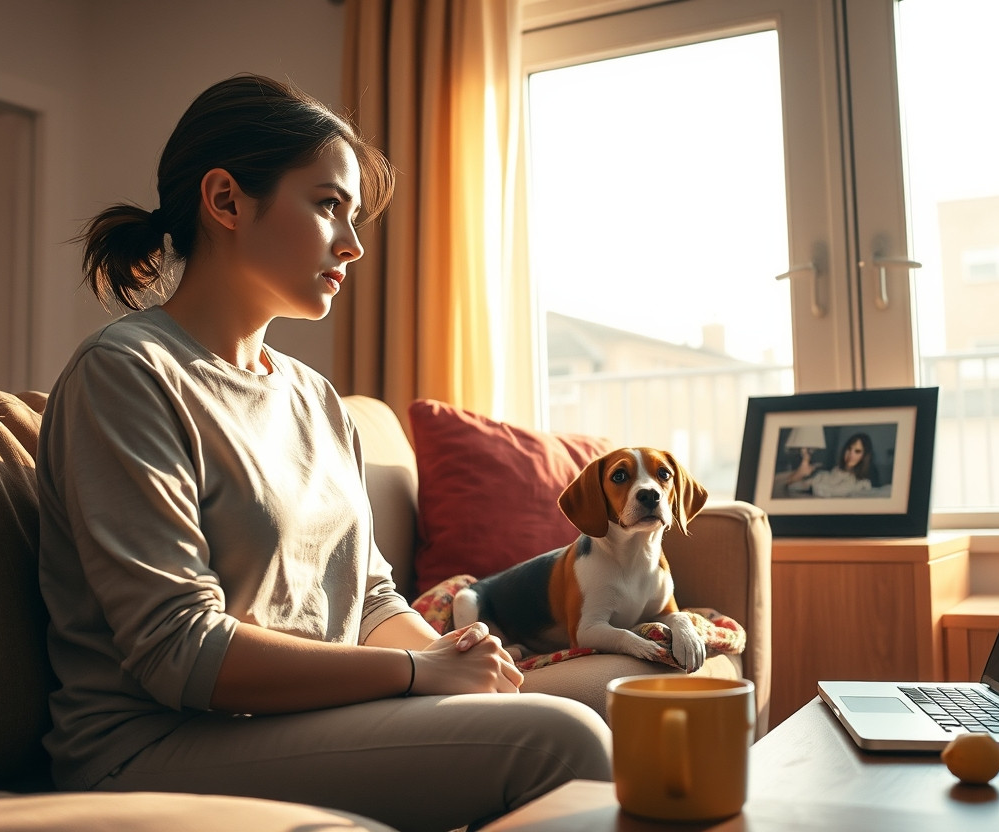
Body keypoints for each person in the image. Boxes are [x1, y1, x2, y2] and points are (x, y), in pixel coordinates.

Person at [35, 74, 611, 832]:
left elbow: (367, 600)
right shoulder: (127, 373)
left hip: (303, 721)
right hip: (154, 744)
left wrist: (459, 660)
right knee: (560, 741)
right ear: (226, 201)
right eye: (328, 205)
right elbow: (182, 650)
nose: (355, 243)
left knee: (586, 707)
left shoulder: (314, 398)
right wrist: (417, 672)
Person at [785, 432, 876, 498]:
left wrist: (811, 485)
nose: (851, 455)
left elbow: (835, 492)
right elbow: (791, 486)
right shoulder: (831, 473)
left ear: (864, 456)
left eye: (857, 451)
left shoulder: (861, 483)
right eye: (849, 449)